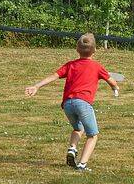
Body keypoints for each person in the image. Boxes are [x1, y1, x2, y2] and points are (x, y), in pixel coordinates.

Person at [25, 33, 120, 172]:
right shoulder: (97, 66)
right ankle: (82, 165)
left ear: (77, 49)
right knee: (92, 135)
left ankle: (72, 148)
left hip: (68, 104)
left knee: (78, 128)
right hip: (83, 103)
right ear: (95, 50)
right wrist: (115, 87)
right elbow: (111, 80)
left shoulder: (71, 65)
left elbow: (54, 76)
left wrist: (36, 86)